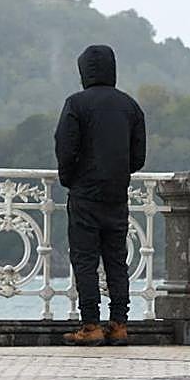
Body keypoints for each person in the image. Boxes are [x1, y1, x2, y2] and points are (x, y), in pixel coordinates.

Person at [54, 44, 147, 346]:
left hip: (84, 194)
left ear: (83, 72)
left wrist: (70, 178)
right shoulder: (130, 106)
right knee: (116, 260)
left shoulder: (76, 104)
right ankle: (119, 324)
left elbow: (65, 148)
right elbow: (138, 157)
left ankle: (90, 324)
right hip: (116, 195)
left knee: (85, 260)